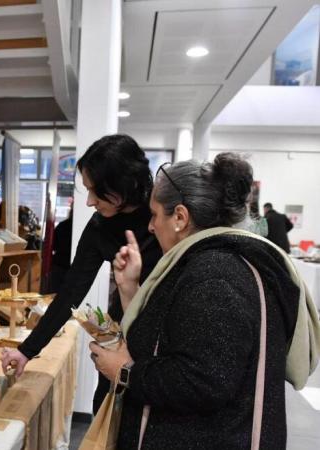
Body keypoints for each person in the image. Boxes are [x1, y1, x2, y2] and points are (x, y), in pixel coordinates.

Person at [90, 153, 307, 449]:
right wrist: (130, 289)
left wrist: (124, 372)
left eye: (154, 215)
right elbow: (172, 341)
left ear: (180, 217)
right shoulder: (210, 263)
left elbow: (204, 381)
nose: (151, 227)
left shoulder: (215, 275)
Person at [1, 134, 162, 412]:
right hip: (122, 333)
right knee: (106, 412)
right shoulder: (101, 225)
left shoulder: (163, 218)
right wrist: (27, 350)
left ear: (121, 185)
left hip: (164, 343)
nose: (88, 202)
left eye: (95, 191)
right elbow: (71, 292)